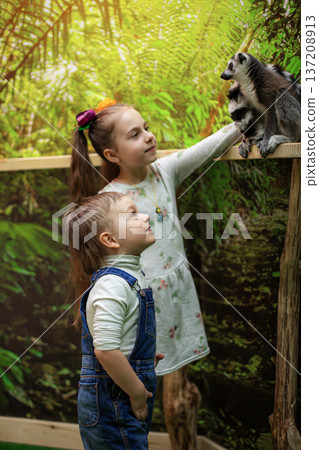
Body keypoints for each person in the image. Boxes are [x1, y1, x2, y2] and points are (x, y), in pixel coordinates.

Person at [70, 98, 240, 376]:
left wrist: (243, 123)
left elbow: (205, 148)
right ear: (113, 155)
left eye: (145, 128)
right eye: (135, 135)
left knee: (176, 375)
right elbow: (109, 263)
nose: (149, 137)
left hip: (176, 290)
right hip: (141, 299)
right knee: (144, 374)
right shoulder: (109, 201)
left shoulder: (164, 171)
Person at [64, 191, 163, 449]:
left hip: (122, 395)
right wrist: (138, 392)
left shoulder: (130, 277)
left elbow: (119, 342)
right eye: (132, 214)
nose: (144, 216)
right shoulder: (113, 285)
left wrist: (139, 358)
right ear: (109, 239)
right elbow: (106, 351)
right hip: (113, 401)